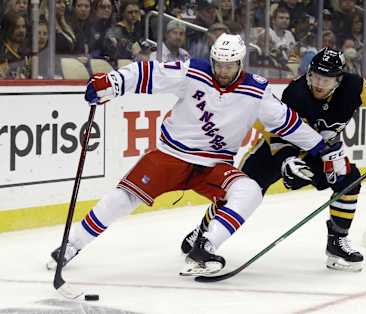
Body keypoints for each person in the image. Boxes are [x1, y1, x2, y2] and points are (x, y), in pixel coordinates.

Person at [47, 34, 333, 276]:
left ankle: (204, 248)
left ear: (240, 62)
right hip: (171, 155)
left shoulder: (256, 91)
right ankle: (71, 244)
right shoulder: (192, 71)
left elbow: (287, 122)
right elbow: (148, 73)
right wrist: (112, 82)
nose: (222, 70)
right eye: (218, 63)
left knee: (250, 191)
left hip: (214, 165)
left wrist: (320, 147)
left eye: (229, 65)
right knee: (125, 196)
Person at [180, 47, 366, 272]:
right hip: (273, 152)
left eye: (327, 80)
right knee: (237, 195)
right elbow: (282, 135)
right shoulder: (295, 93)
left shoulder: (353, 87)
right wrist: (287, 162)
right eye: (315, 76)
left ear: (339, 80)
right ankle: (203, 233)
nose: (318, 84)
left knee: (349, 181)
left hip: (321, 152)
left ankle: (337, 244)